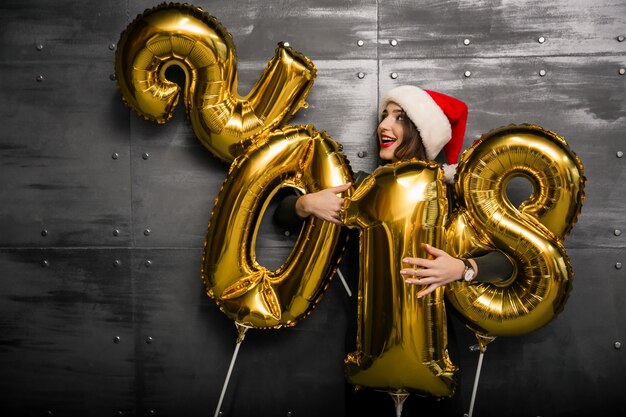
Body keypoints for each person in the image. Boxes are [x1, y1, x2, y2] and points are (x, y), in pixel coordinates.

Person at [274, 85, 513, 290]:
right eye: (384, 116)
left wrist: (463, 269)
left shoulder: (451, 192)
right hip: (367, 335)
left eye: (399, 117)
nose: (384, 126)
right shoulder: (360, 185)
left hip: (441, 332)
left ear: (421, 133)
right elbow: (282, 217)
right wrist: (304, 203)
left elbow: (507, 262)